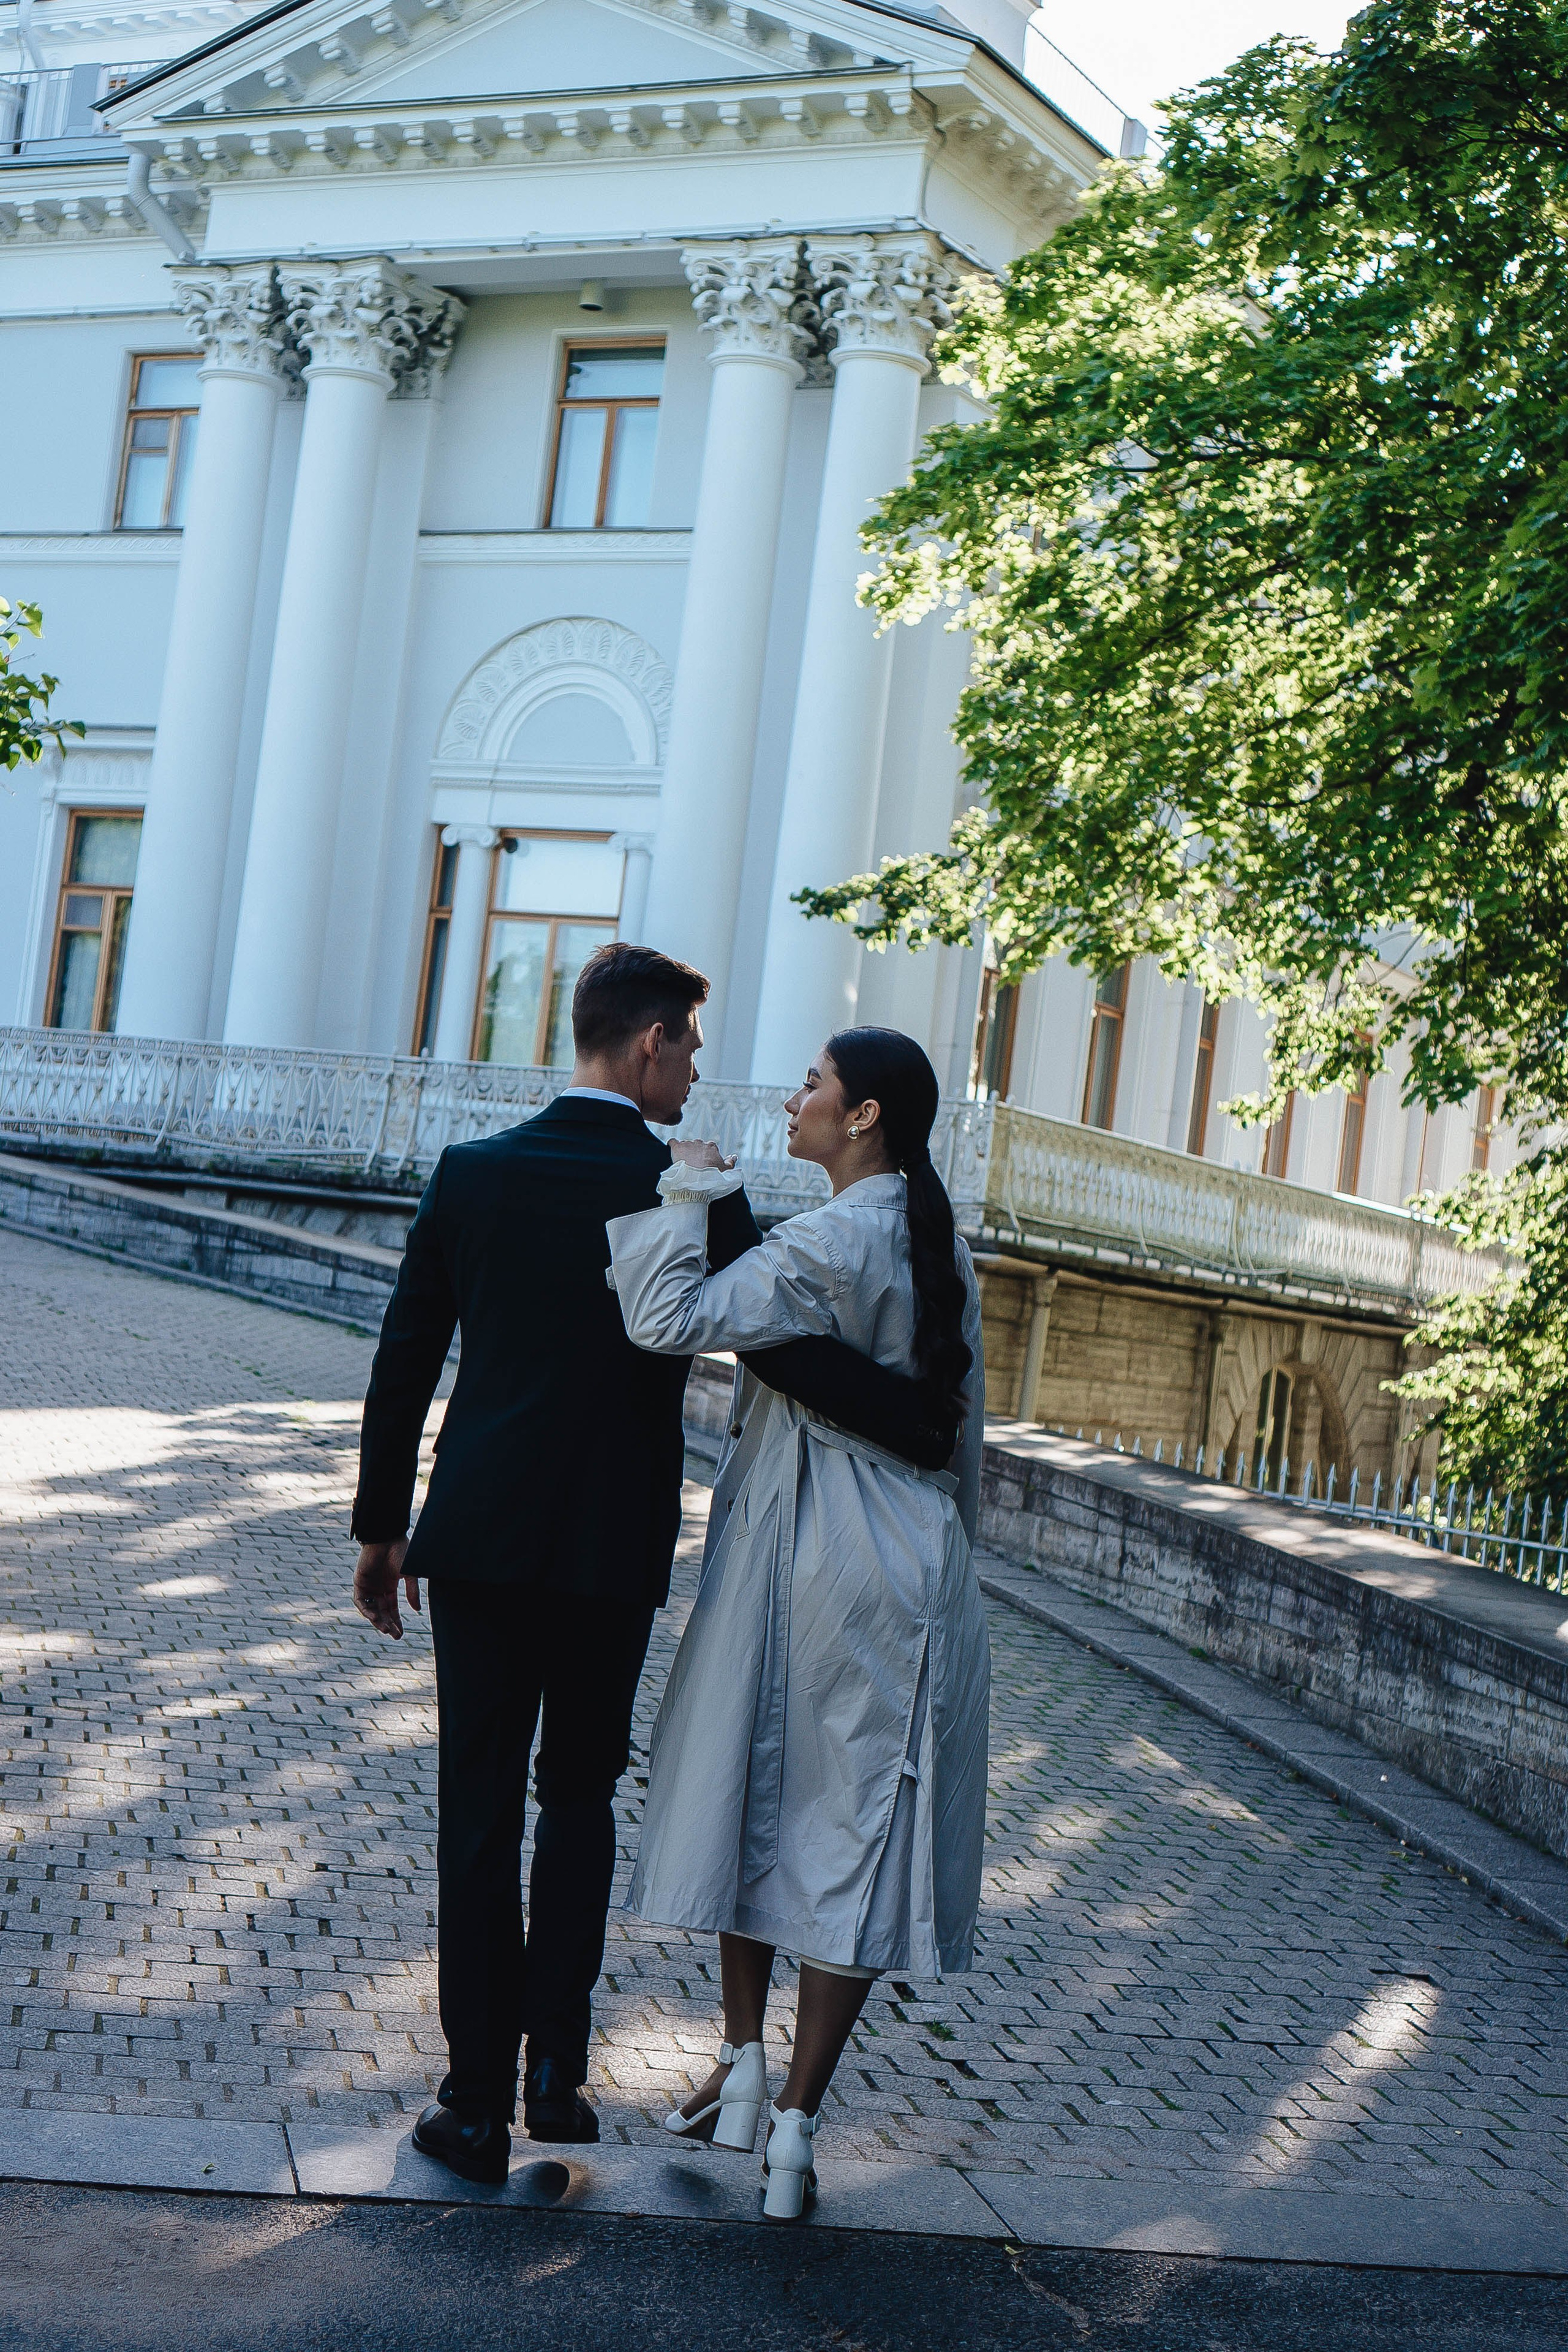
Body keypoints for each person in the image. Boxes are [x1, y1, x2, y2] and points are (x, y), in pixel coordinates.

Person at [350, 948, 957, 2187]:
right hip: (610, 1553)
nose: (697, 1070)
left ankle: (470, 2106)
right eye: (686, 1045)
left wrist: (381, 1525)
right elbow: (774, 1348)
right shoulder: (696, 1189)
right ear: (645, 1046)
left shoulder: (474, 1174)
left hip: (474, 1539)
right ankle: (556, 2078)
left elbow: (405, 1358)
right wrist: (913, 1418)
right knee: (576, 1803)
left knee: (475, 1815)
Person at [604, 1025, 990, 2222]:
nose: (792, 1098)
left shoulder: (825, 1238)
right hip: (912, 1563)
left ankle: (739, 2058)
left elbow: (663, 1318)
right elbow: (957, 1440)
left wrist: (684, 1188)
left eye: (813, 1084)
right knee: (855, 1837)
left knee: (750, 1790)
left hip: (802, 1549)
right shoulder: (940, 1246)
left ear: (863, 1114)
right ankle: (785, 2124)